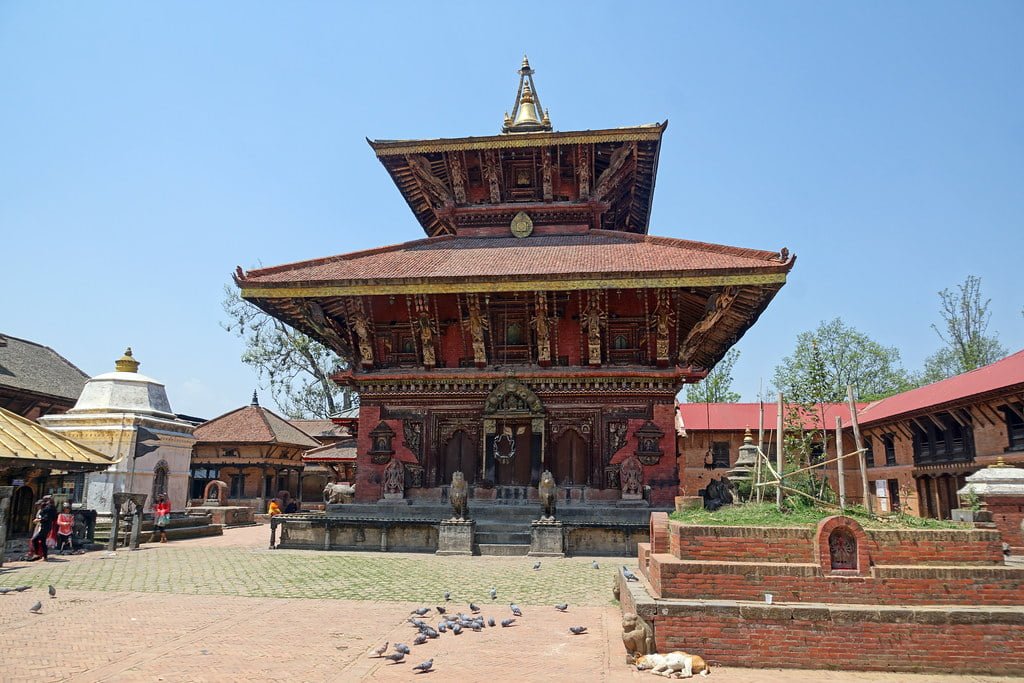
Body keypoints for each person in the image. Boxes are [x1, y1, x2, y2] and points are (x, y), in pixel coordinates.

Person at [30, 496, 57, 561]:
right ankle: (45, 556)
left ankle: (37, 554)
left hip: (45, 527)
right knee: (42, 542)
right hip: (45, 527)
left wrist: (38, 520)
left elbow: (46, 518)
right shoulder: (48, 509)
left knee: (34, 540)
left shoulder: (47, 509)